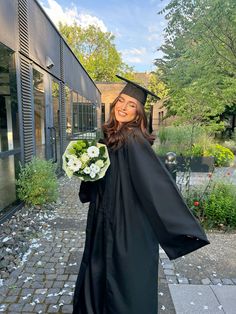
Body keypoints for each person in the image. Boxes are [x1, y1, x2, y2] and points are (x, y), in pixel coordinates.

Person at [72, 75, 209, 314]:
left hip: (126, 226)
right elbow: (98, 183)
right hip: (104, 220)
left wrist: (183, 229)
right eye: (121, 101)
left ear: (139, 114)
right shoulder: (110, 138)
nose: (123, 108)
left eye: (131, 105)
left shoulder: (133, 140)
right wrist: (86, 168)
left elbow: (156, 184)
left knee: (123, 284)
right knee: (102, 275)